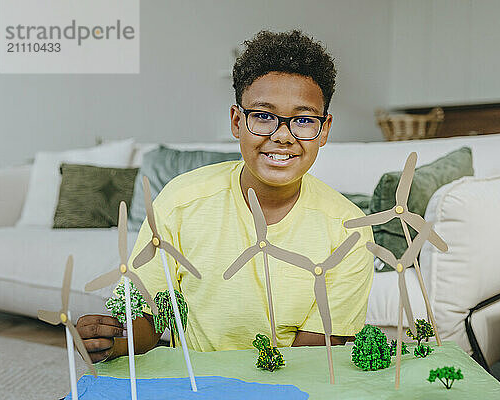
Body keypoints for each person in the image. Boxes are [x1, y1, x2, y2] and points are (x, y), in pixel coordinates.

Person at [77, 29, 374, 362]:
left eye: (303, 120)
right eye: (263, 116)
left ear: (325, 129)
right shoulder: (180, 200)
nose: (283, 136)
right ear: (237, 121)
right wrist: (114, 342)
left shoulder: (351, 228)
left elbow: (314, 358)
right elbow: (149, 316)